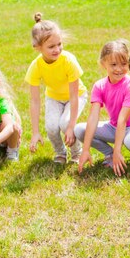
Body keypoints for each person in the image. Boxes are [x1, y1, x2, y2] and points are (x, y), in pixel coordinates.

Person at [75, 40, 130, 176]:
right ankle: (109, 154)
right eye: (113, 64)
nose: (119, 69)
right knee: (79, 130)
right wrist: (85, 150)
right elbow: (93, 117)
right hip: (113, 127)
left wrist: (118, 150)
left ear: (128, 62)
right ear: (103, 64)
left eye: (123, 64)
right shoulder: (99, 86)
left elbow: (123, 120)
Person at [25, 12, 88, 164]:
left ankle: (76, 153)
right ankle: (60, 152)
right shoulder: (36, 66)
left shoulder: (68, 61)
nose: (57, 49)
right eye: (51, 46)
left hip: (76, 96)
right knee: (52, 127)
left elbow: (74, 96)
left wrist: (71, 126)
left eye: (59, 44)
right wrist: (35, 132)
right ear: (37, 47)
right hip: (54, 97)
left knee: (65, 123)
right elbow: (34, 101)